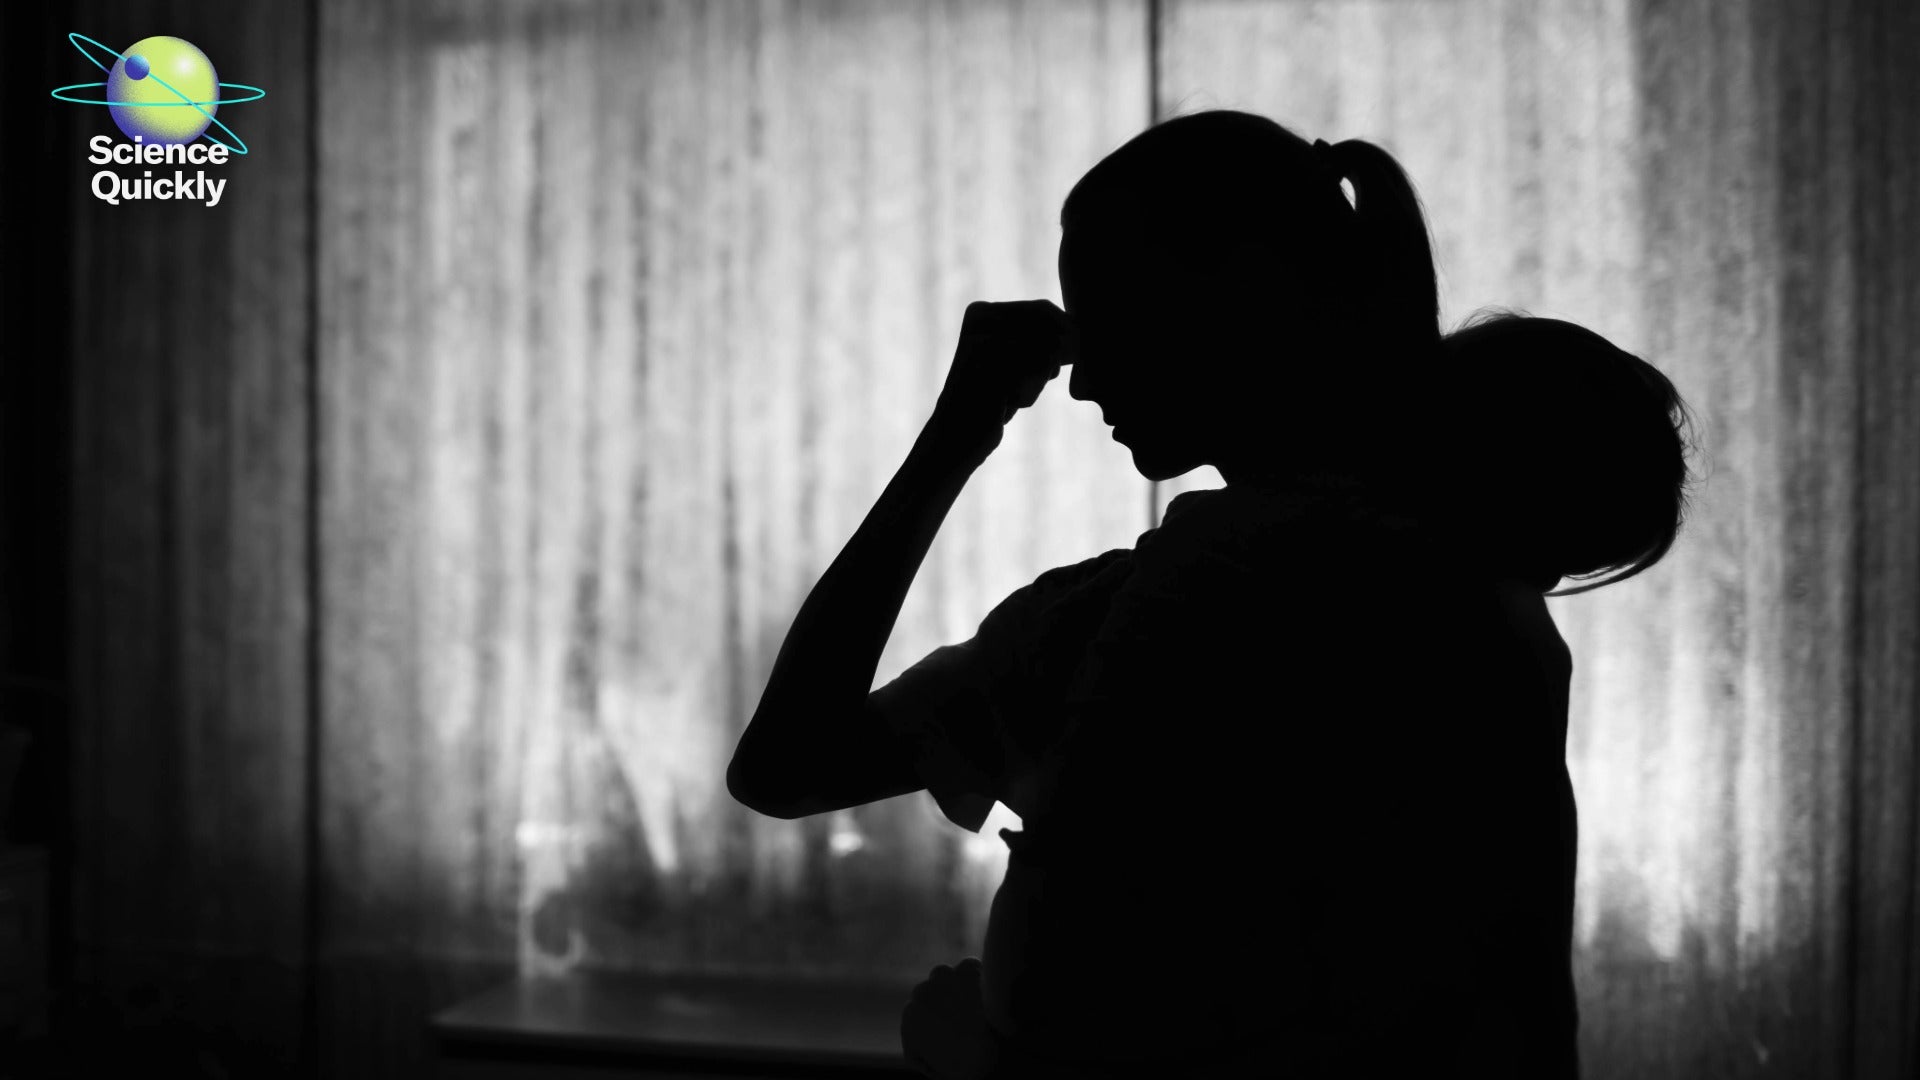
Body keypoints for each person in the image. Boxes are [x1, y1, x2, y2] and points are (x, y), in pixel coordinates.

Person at [728, 109, 1697, 1078]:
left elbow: (788, 767)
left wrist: (955, 435)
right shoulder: (1483, 615)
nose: (1080, 377)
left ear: (1235, 299)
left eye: (1106, 315)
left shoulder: (1155, 612)